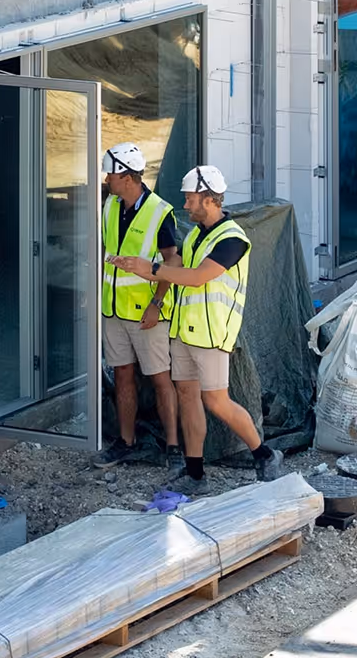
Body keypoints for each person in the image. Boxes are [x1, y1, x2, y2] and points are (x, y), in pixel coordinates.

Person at [110, 165, 284, 495]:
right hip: (183, 332)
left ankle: (264, 455)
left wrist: (154, 269)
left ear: (208, 199)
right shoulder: (195, 234)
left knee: (216, 401)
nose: (186, 206)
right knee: (189, 399)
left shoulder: (232, 239)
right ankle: (195, 474)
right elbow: (179, 268)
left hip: (211, 335)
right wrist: (141, 267)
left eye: (190, 199)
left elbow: (198, 276)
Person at [94, 143, 185, 481]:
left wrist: (156, 303)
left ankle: (173, 448)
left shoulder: (160, 211)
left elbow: (172, 260)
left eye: (111, 174)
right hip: (114, 309)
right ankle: (126, 441)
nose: (106, 179)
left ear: (128, 177)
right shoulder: (109, 206)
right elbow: (106, 250)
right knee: (123, 376)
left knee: (161, 379)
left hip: (147, 314)